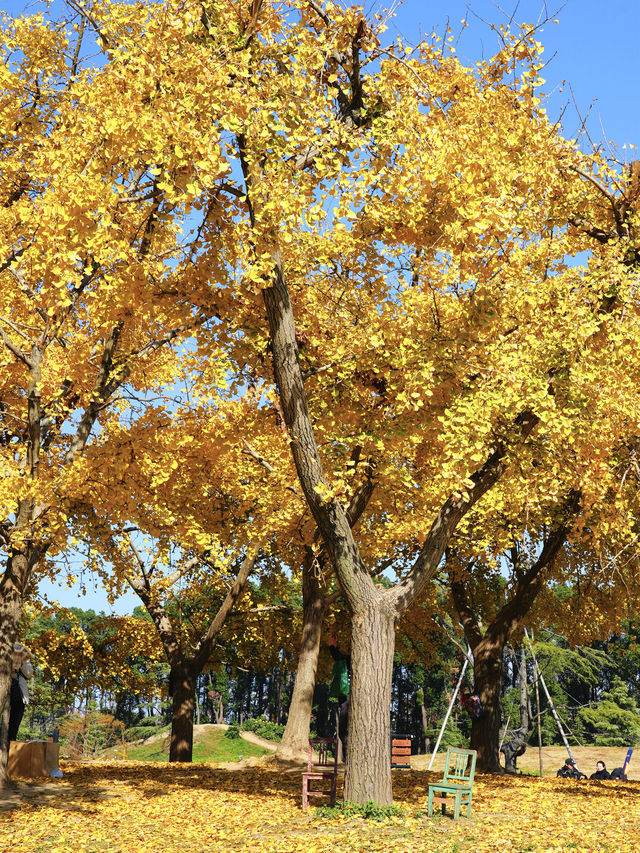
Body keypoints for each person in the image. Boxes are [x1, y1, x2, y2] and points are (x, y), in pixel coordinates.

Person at [328, 631, 350, 761]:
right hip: (346, 698)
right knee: (343, 731)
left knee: (343, 730)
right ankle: (347, 759)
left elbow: (338, 657)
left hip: (348, 699)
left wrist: (332, 646)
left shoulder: (348, 659)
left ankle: (347, 759)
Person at [9, 642, 33, 742]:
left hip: (18, 695)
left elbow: (29, 674)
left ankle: (10, 747)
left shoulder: (25, 662)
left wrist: (23, 662)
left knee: (14, 726)